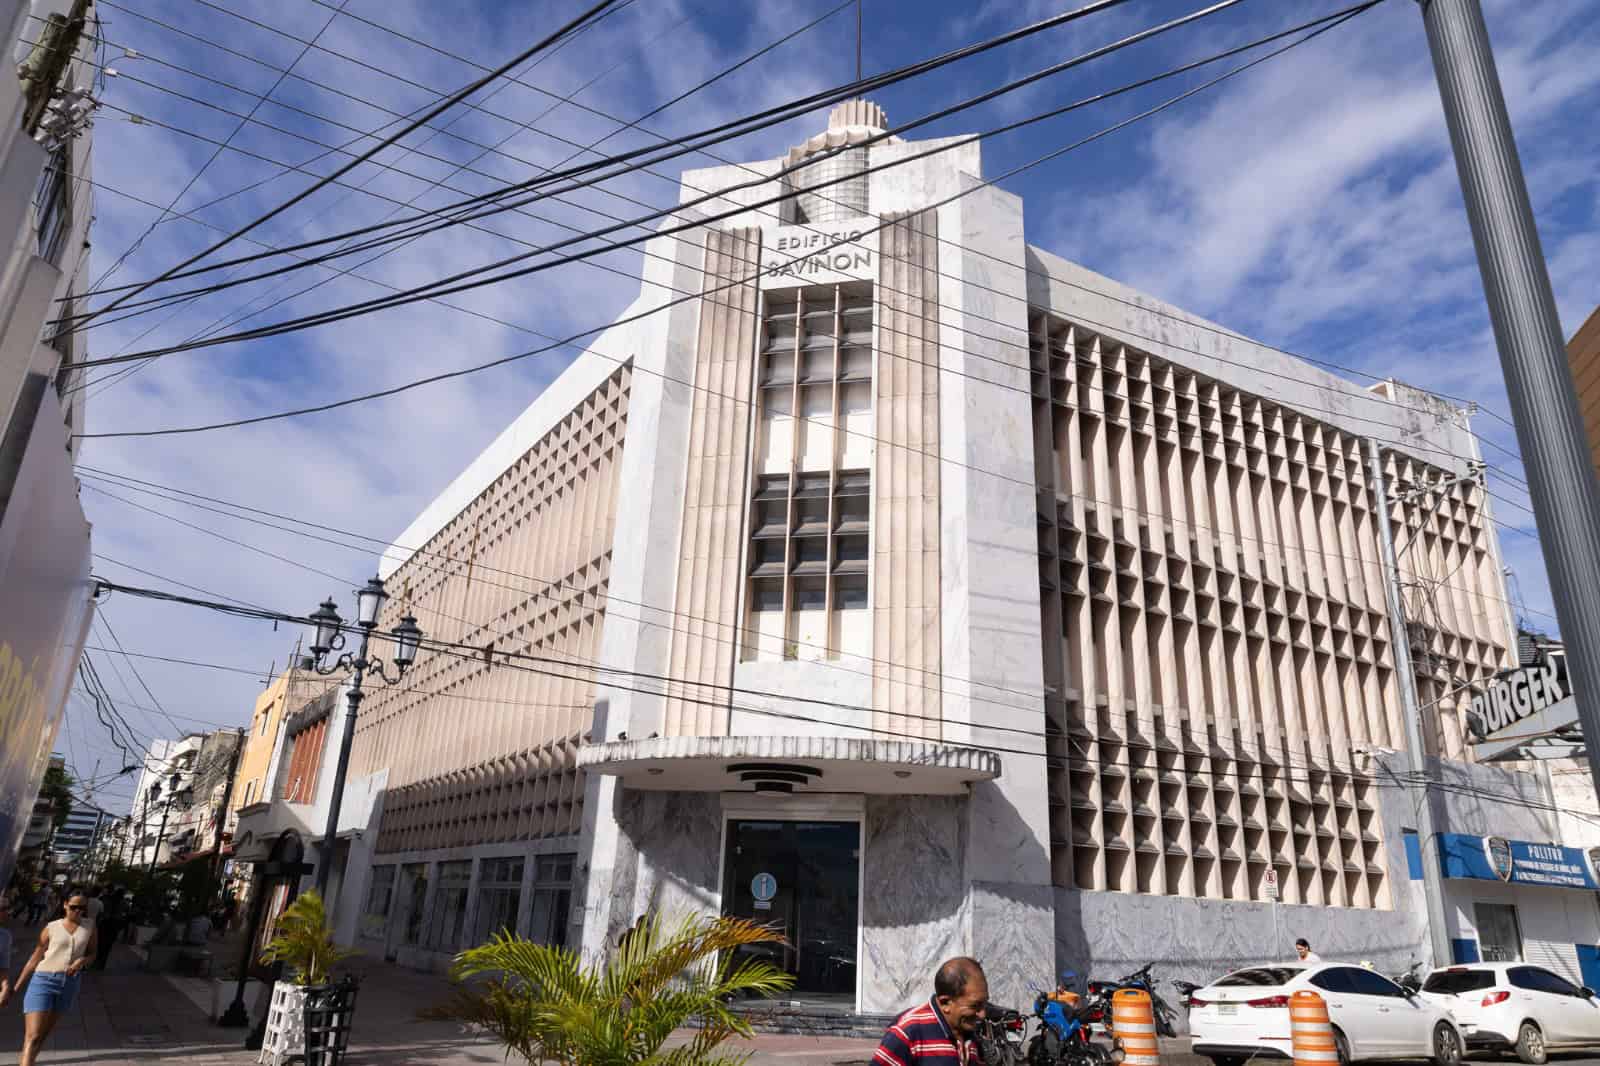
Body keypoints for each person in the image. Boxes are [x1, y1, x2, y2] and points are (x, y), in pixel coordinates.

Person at [6, 892, 98, 1066]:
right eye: (74, 907)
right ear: (65, 905)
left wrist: (82, 961)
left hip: (69, 984)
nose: (78, 911)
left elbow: (93, 953)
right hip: (43, 980)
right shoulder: (52, 927)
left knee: (42, 1036)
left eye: (82, 908)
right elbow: (34, 959)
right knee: (32, 1036)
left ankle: (28, 1061)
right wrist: (16, 988)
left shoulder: (90, 926)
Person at [876, 957, 989, 1066]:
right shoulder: (907, 1032)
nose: (982, 1014)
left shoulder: (972, 1031)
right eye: (975, 1006)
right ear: (945, 1003)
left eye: (985, 1003)